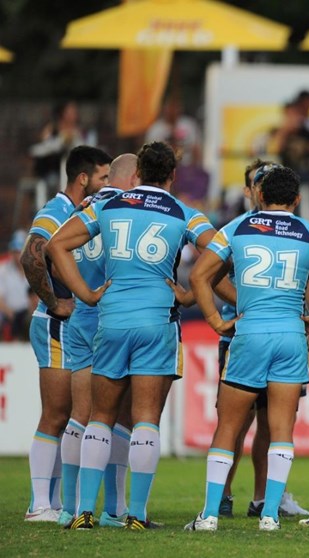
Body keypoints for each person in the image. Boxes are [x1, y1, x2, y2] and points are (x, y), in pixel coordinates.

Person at [47, 141, 216, 530]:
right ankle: (135, 514)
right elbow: (222, 252)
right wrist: (191, 293)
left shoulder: (107, 206)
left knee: (100, 417)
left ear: (137, 173)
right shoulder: (185, 213)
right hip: (156, 322)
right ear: (172, 175)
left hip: (112, 320)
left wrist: (85, 294)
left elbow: (56, 245)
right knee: (145, 419)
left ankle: (83, 511)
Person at [184, 165, 309, 532]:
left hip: (249, 334)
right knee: (281, 430)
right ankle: (269, 515)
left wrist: (215, 321)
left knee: (228, 427)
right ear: (297, 199)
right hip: (291, 336)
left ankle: (209, 515)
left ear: (259, 195)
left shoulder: (236, 228)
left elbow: (199, 275)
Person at [20, 145, 111, 522]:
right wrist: (54, 302)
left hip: (76, 324)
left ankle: (55, 502)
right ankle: (39, 504)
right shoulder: (56, 211)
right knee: (57, 414)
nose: (107, 183)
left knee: (74, 414)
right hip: (55, 322)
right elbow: (31, 255)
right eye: (103, 176)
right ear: (83, 178)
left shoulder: (86, 211)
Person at [57, 153, 138, 528]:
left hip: (81, 316)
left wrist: (79, 293)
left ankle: (69, 507)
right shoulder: (125, 210)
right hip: (112, 316)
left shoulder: (83, 207)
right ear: (134, 178)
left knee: (81, 413)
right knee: (117, 415)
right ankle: (115, 509)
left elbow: (55, 250)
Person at [0, 230, 31, 340]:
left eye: (20, 251)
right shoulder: (3, 270)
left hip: (29, 314)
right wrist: (11, 314)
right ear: (11, 252)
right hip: (9, 314)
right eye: (16, 252)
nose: (18, 255)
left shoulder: (34, 269)